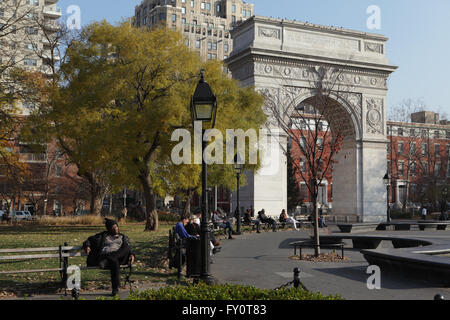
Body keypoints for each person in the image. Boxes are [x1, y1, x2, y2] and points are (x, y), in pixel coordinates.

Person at [83, 218, 135, 296]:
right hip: (106, 257)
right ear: (109, 229)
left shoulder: (123, 237)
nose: (115, 229)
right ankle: (115, 289)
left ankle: (112, 257)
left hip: (119, 257)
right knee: (114, 261)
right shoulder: (102, 236)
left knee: (126, 248)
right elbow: (89, 240)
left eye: (116, 227)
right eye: (113, 227)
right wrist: (87, 246)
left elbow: (128, 249)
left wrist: (132, 255)